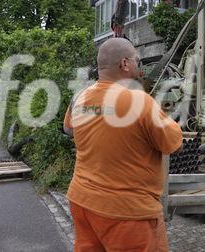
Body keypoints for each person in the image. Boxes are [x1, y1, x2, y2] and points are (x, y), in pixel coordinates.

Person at [63, 37, 183, 252]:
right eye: (137, 60)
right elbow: (174, 145)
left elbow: (69, 130)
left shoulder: (80, 97)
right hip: (127, 213)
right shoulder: (140, 101)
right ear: (125, 64)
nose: (139, 65)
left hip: (82, 201)